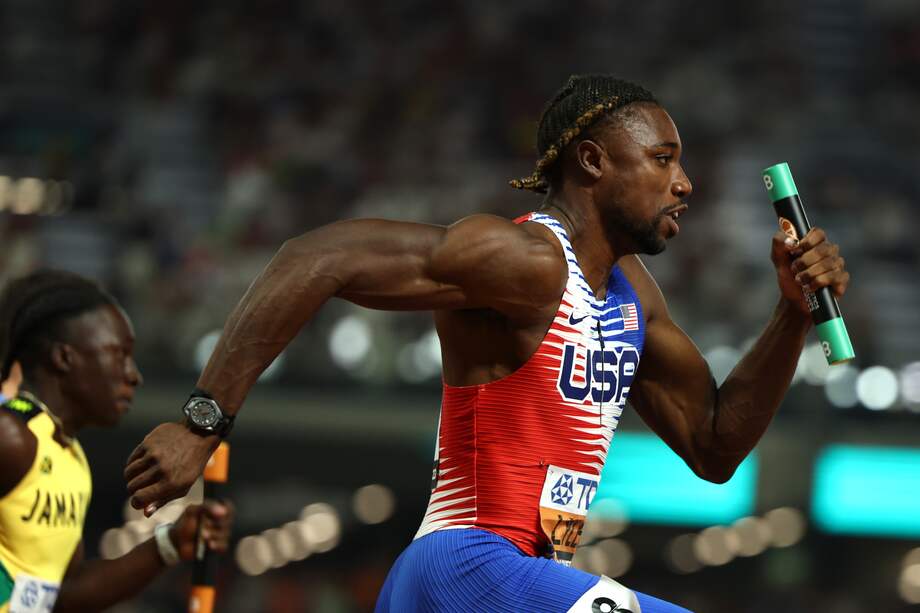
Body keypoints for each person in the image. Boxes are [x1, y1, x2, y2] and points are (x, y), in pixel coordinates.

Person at [124, 75, 850, 612]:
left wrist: (790, 316)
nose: (685, 183)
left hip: (518, 580)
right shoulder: (526, 264)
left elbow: (715, 443)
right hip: (462, 566)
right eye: (663, 159)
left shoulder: (635, 299)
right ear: (593, 162)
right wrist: (202, 422)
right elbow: (315, 258)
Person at [0, 270, 234, 613]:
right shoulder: (12, 436)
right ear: (64, 358)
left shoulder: (70, 458)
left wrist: (169, 544)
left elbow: (67, 594)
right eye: (119, 354)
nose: (133, 375)